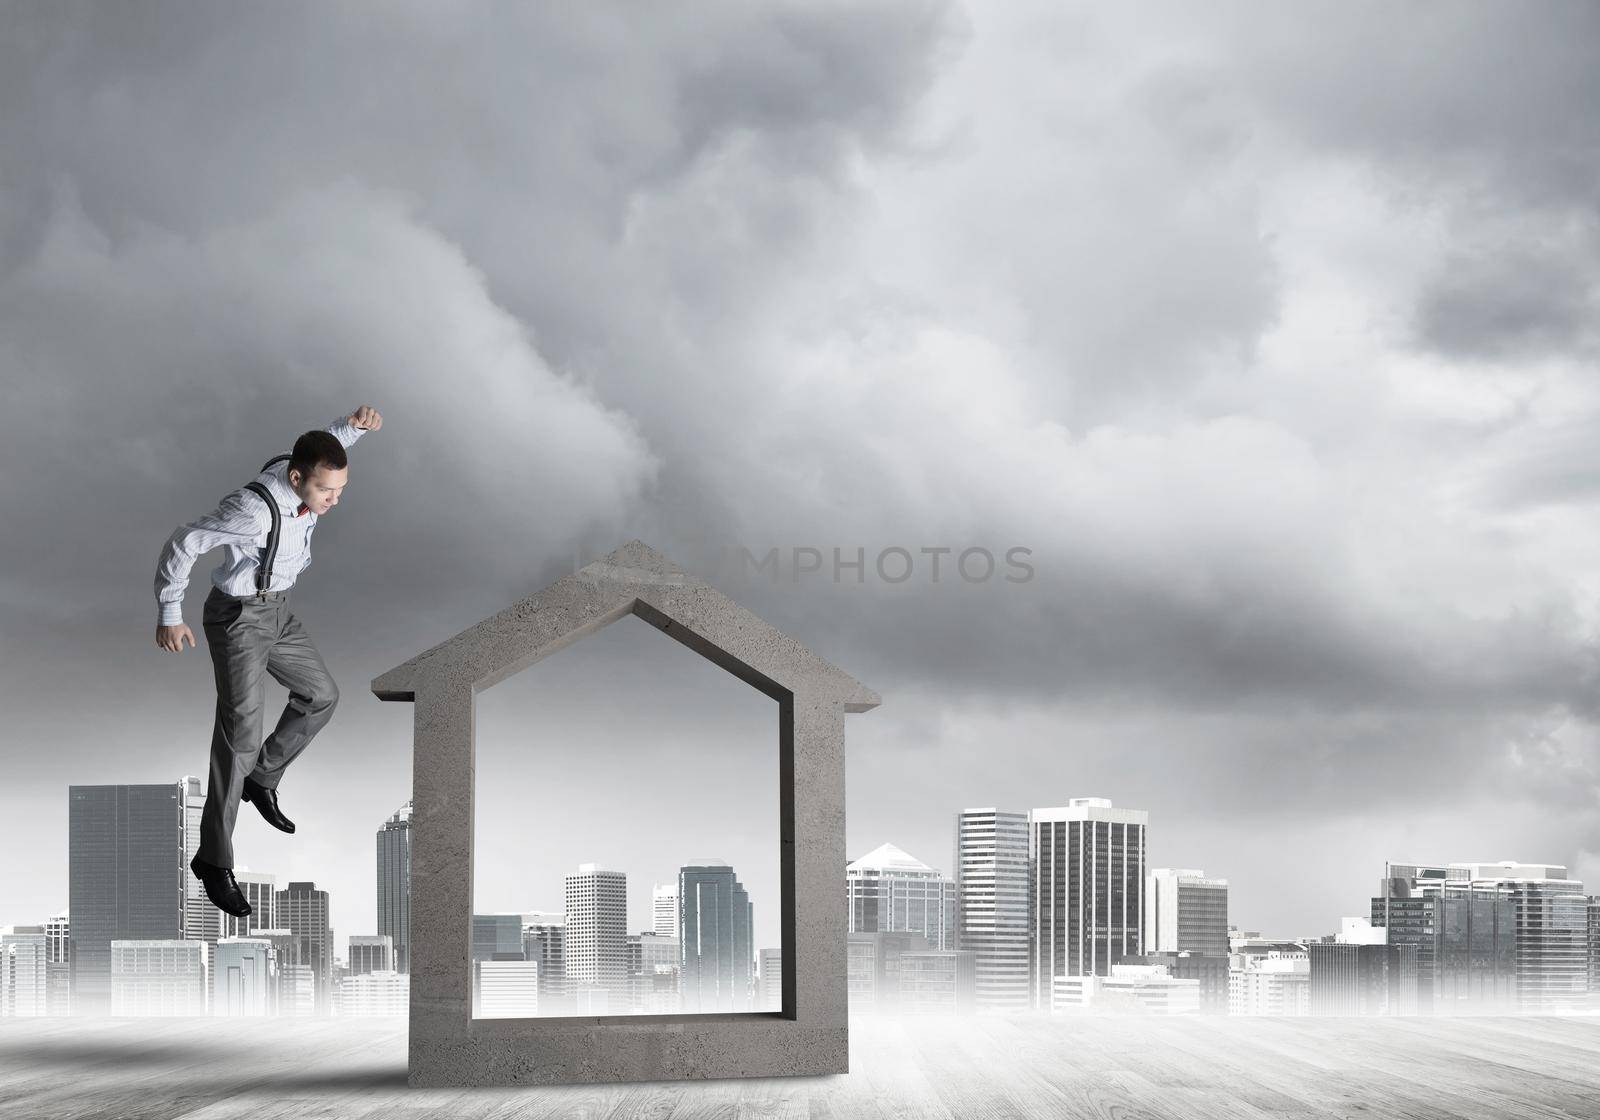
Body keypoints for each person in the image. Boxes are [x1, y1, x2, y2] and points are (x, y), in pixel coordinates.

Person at [153, 405, 383, 916]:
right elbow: (184, 542)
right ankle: (213, 860)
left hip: (277, 611)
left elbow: (321, 448)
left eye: (340, 490)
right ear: (297, 478)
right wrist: (171, 613)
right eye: (326, 491)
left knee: (322, 695)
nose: (334, 500)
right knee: (240, 734)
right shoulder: (252, 511)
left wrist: (355, 428)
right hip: (239, 619)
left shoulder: (300, 466)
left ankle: (262, 779)